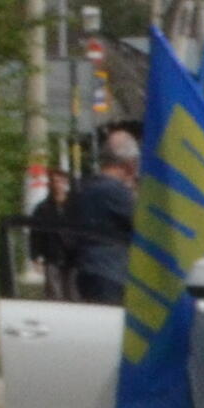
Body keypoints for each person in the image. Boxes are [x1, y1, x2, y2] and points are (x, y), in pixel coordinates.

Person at [61, 130, 142, 305]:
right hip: (112, 274)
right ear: (130, 164)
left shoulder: (81, 189)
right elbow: (144, 225)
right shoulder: (117, 193)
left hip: (82, 270)